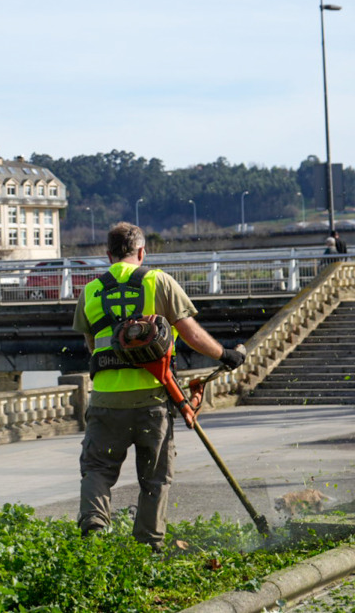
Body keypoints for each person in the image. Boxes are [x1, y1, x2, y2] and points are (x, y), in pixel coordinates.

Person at [72, 222, 247, 551]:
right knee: (154, 479)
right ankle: (148, 548)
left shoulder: (90, 291)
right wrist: (226, 354)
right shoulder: (159, 281)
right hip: (152, 402)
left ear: (108, 256)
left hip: (106, 402)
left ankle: (95, 530)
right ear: (142, 252)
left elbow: (92, 346)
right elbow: (191, 334)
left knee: (97, 469)